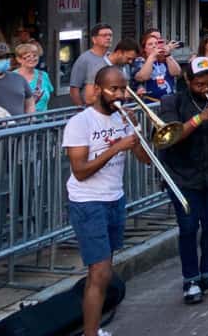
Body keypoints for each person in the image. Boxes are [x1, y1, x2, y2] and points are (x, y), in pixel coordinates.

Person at [63, 65, 150, 336]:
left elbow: (146, 160)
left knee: (103, 271)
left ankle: (94, 328)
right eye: (114, 89)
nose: (120, 95)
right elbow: (80, 171)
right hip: (88, 202)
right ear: (98, 90)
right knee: (99, 273)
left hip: (114, 198)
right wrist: (116, 148)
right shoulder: (81, 123)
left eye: (123, 89)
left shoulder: (123, 118)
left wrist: (135, 138)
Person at [159, 57, 208, 303]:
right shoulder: (172, 101)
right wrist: (201, 118)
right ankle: (190, 279)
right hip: (183, 176)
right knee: (189, 228)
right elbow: (172, 137)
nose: (206, 89)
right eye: (200, 84)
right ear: (188, 80)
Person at [69, 24, 114, 107]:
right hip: (90, 108)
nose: (108, 38)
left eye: (110, 35)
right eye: (104, 35)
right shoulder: (84, 59)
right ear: (94, 39)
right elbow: (74, 89)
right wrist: (81, 109)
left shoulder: (111, 58)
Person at [132, 33, 182, 102]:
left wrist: (167, 55)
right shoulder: (141, 60)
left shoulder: (165, 59)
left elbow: (177, 72)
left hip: (170, 101)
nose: (154, 46)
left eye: (156, 43)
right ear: (144, 49)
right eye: (150, 44)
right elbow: (143, 77)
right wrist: (152, 56)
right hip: (151, 103)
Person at [0, 41, 33, 116]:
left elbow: (30, 103)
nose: (4, 60)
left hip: (22, 127)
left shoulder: (19, 79)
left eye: (7, 57)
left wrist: (31, 121)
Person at [14, 42, 53, 113]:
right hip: (20, 122)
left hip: (43, 121)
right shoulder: (12, 77)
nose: (32, 58)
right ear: (18, 59)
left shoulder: (44, 75)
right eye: (28, 56)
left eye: (35, 55)